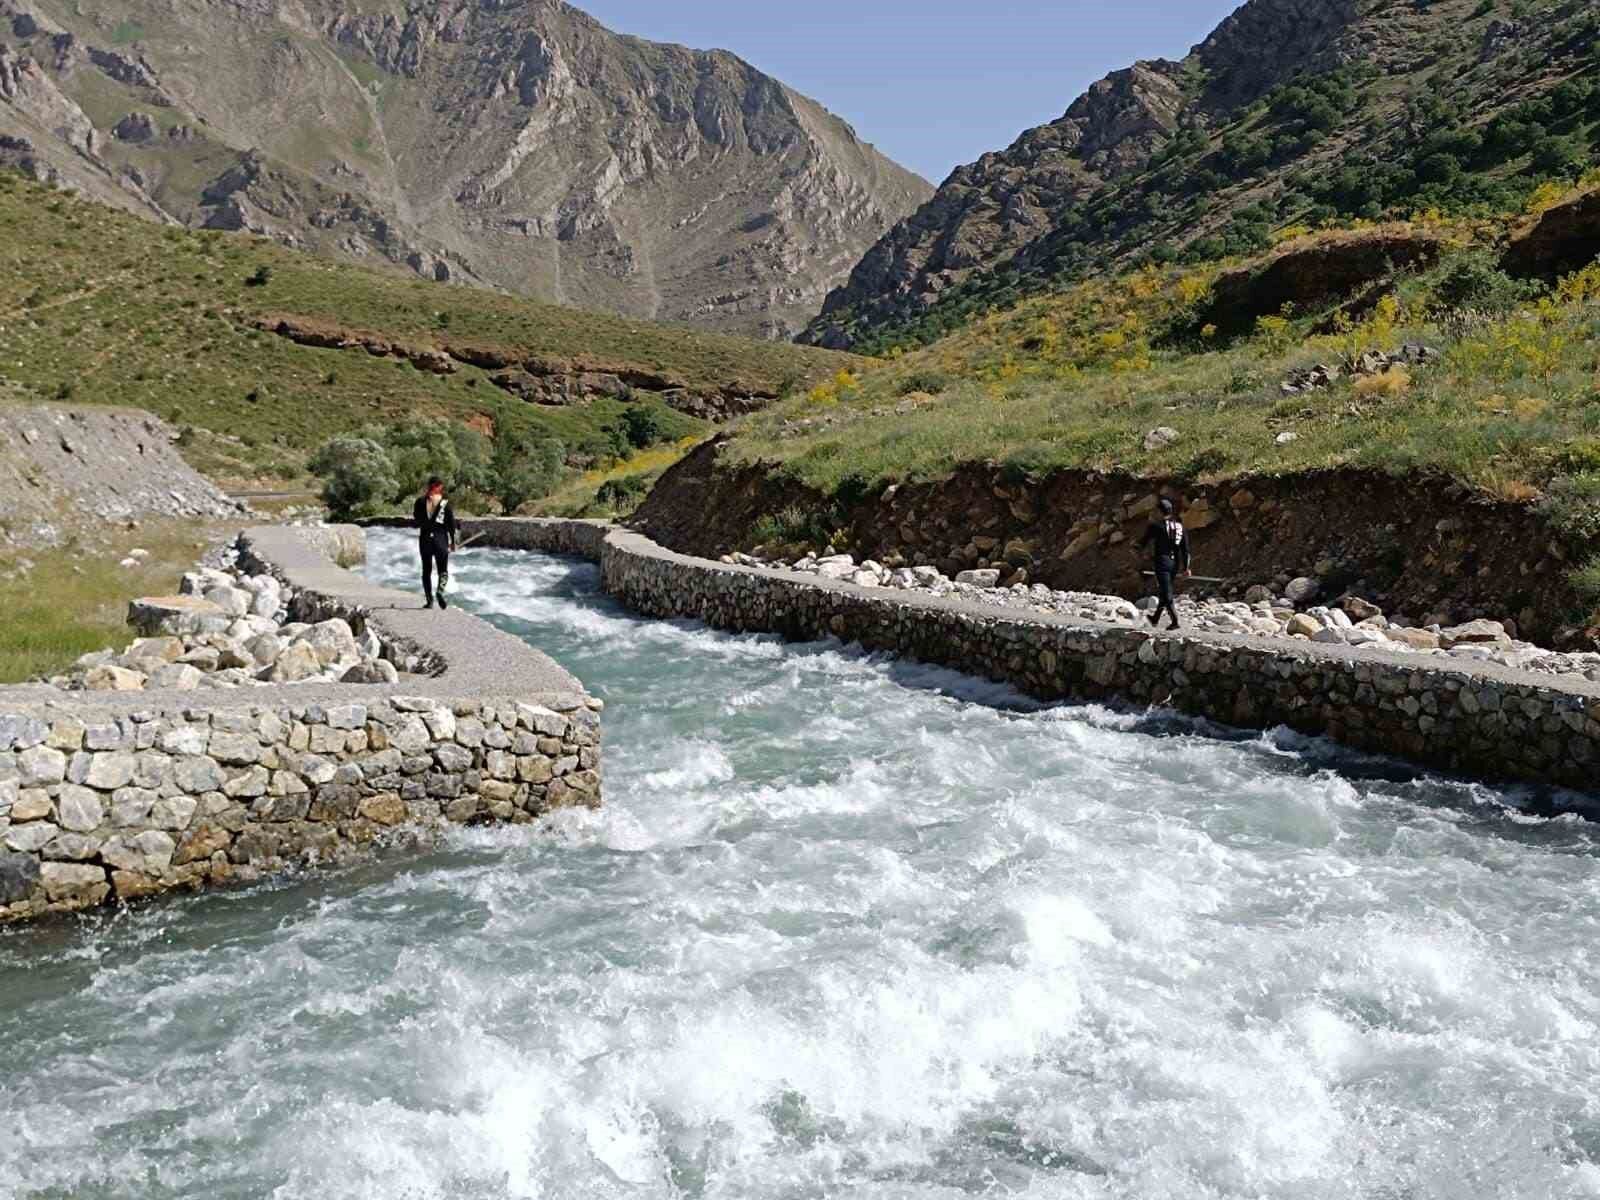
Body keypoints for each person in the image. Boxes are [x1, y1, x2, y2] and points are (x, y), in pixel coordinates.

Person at [1139, 497, 1191, 630]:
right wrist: (1186, 568)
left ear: (1159, 511)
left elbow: (1143, 542)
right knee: (1164, 589)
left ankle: (1175, 621)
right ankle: (1155, 618)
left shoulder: (1156, 526)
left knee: (1166, 591)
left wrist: (1136, 549)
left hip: (1162, 562)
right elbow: (1185, 550)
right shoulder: (1181, 527)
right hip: (1175, 563)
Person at [413, 476, 458, 609]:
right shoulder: (445, 503)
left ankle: (429, 601)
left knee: (426, 571)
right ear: (439, 487)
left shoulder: (420, 502)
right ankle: (439, 592)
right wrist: (453, 542)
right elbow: (451, 525)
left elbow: (416, 519)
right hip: (441, 540)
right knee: (442, 570)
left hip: (425, 539)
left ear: (429, 486)